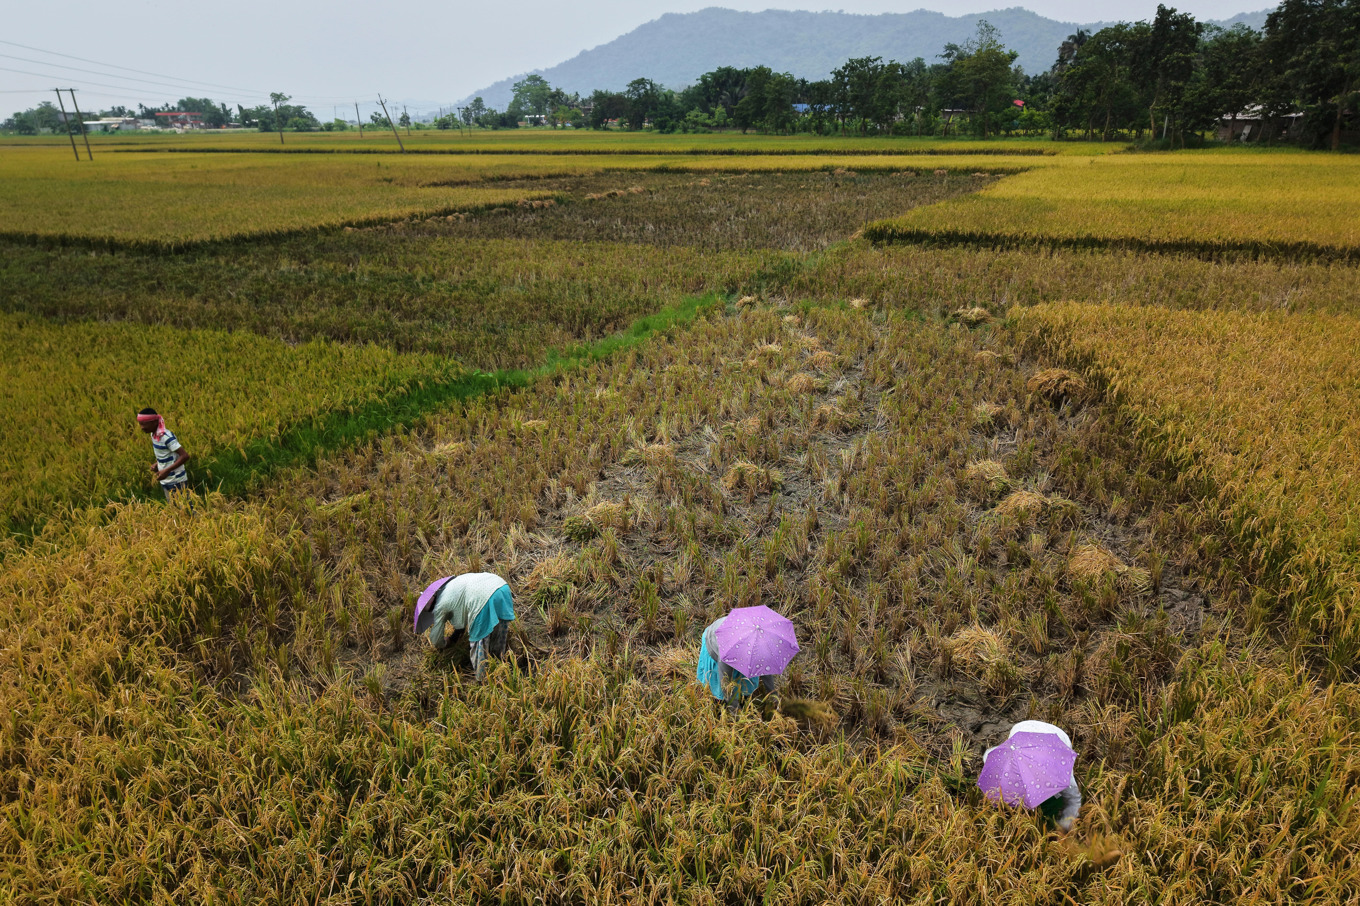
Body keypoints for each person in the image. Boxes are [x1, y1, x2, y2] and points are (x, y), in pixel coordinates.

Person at [983, 720, 1082, 832]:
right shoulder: (1006, 759)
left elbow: (1074, 799)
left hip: (1057, 738)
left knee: (1055, 799)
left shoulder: (1056, 766)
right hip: (1022, 728)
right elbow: (989, 756)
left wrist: (1063, 825)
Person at [416, 573, 515, 681]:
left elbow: (436, 640)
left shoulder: (440, 606)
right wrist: (455, 636)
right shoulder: (451, 585)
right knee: (498, 632)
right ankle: (500, 665)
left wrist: (446, 642)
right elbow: (462, 616)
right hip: (501, 587)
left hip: (481, 598)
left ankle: (483, 680)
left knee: (479, 643)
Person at [697, 614, 778, 711]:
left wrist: (773, 695)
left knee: (745, 684)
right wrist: (735, 712)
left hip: (734, 639)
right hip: (714, 639)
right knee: (721, 690)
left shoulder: (760, 644)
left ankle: (744, 697)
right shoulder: (727, 650)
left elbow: (765, 669)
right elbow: (726, 683)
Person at [137, 408, 190, 498]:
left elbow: (185, 456)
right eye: (140, 424)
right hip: (166, 480)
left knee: (186, 509)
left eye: (144, 424)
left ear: (154, 422)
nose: (142, 427)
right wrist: (157, 464)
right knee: (174, 509)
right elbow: (168, 454)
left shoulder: (166, 437)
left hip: (177, 480)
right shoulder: (154, 435)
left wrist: (167, 470)